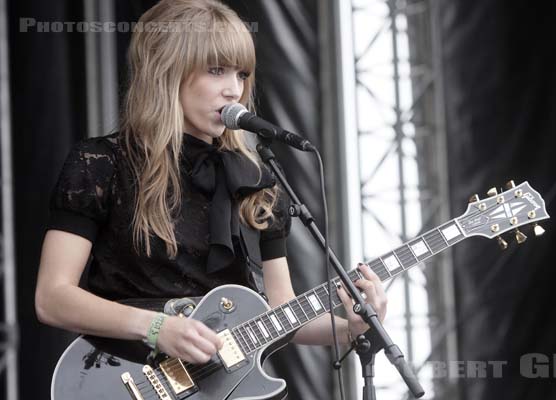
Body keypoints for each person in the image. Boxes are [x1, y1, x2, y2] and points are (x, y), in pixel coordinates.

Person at [35, 0, 387, 366]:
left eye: (241, 74)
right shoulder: (102, 164)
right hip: (125, 377)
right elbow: (52, 297)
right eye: (216, 70)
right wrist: (156, 327)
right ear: (167, 72)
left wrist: (351, 327)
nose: (234, 90)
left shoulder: (258, 186)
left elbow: (283, 315)